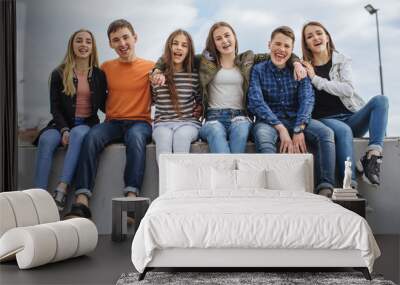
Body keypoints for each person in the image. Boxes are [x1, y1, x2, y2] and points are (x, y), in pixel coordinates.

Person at [152, 21, 306, 153]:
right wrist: (158, 70)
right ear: (214, 43)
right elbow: (171, 56)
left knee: (241, 130)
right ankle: (232, 176)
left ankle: (229, 176)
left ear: (234, 38)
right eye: (218, 38)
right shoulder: (204, 62)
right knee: (215, 131)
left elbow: (279, 52)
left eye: (227, 36)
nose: (224, 41)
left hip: (241, 116)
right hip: (213, 117)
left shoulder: (248, 59)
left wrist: (297, 62)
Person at [65, 19, 154, 218]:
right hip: (113, 122)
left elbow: (162, 94)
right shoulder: (105, 68)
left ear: (135, 38)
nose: (122, 43)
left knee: (136, 139)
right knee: (92, 138)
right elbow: (95, 95)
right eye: (116, 40)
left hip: (141, 122)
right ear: (110, 44)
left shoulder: (150, 67)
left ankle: (131, 197)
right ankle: (82, 199)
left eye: (125, 37)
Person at [248, 26, 336, 196]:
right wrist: (280, 128)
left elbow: (307, 99)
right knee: (263, 138)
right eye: (277, 44)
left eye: (287, 46)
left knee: (325, 133)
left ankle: (325, 186)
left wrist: (299, 127)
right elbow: (256, 102)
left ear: (292, 50)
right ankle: (272, 190)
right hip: (269, 121)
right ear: (269, 45)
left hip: (297, 119)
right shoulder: (258, 70)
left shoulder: (299, 69)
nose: (281, 50)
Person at [301, 21, 389, 187]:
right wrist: (307, 73)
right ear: (306, 44)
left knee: (381, 100)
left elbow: (347, 90)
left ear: (327, 37)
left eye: (319, 33)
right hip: (325, 119)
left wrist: (316, 79)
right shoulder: (305, 66)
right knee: (343, 130)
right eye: (309, 36)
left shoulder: (341, 60)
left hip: (351, 116)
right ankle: (350, 186)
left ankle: (372, 157)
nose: (315, 38)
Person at [34, 29, 107, 211]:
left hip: (86, 124)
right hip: (61, 124)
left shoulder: (99, 75)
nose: (84, 45)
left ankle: (61, 190)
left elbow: (106, 105)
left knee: (77, 134)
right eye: (79, 41)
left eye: (88, 42)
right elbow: (55, 107)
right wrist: (63, 129)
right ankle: (37, 197)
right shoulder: (59, 73)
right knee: (46, 140)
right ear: (72, 45)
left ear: (93, 47)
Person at [152, 29, 202, 163]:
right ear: (169, 47)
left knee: (181, 136)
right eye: (175, 43)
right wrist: (156, 75)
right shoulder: (156, 76)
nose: (179, 47)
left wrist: (200, 108)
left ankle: (181, 183)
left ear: (188, 51)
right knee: (163, 139)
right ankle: (166, 183)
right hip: (162, 124)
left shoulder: (194, 75)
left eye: (184, 45)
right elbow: (148, 101)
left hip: (188, 123)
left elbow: (201, 101)